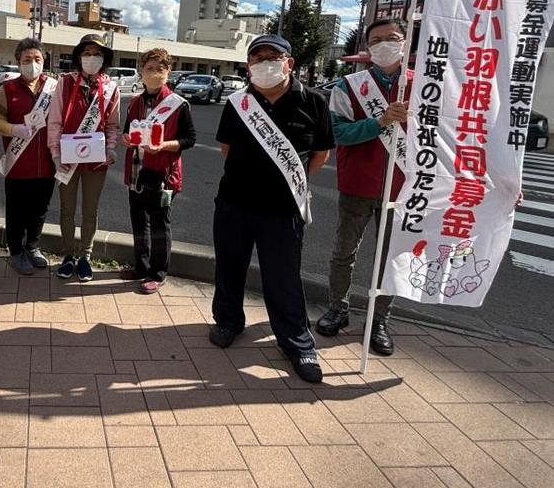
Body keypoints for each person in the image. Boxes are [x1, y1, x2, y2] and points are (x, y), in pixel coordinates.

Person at [210, 34, 334, 383]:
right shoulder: (238, 103)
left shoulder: (313, 102)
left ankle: (296, 342)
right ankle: (228, 321)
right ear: (249, 67)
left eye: (273, 56)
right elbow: (226, 149)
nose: (265, 63)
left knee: (283, 277)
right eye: (257, 58)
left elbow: (321, 154)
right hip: (234, 203)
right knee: (229, 267)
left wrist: (285, 182)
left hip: (283, 210)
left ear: (289, 62)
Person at [317, 19, 410, 356]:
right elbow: (339, 133)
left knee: (391, 259)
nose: (384, 44)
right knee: (344, 252)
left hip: (403, 189)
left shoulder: (425, 85)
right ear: (367, 47)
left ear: (404, 42)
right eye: (376, 40)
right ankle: (337, 308)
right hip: (358, 184)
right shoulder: (349, 86)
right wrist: (380, 122)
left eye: (392, 38)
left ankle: (379, 318)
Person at [47, 34, 120, 282]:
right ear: (79, 57)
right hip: (67, 159)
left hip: (96, 160)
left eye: (97, 54)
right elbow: (55, 121)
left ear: (104, 59)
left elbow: (112, 125)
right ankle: (68, 256)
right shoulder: (65, 83)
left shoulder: (110, 87)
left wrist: (111, 149)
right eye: (87, 53)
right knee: (67, 209)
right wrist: (55, 155)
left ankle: (85, 256)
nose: (91, 58)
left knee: (90, 210)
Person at [121, 48, 195, 293]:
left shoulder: (178, 104)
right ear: (142, 71)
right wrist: (125, 138)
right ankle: (140, 266)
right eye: (149, 68)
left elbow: (189, 139)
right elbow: (127, 130)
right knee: (138, 222)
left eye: (159, 69)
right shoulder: (135, 102)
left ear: (168, 72)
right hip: (135, 171)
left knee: (160, 225)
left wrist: (164, 145)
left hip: (163, 173)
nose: (154, 73)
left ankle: (158, 273)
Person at [0, 38, 57, 275]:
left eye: (37, 59)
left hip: (46, 163)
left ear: (44, 61)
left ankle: (33, 247)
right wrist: (13, 129)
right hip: (17, 162)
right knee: (16, 211)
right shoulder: (7, 90)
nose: (32, 64)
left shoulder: (54, 87)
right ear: (18, 62)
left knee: (40, 209)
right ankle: (16, 252)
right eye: (27, 60)